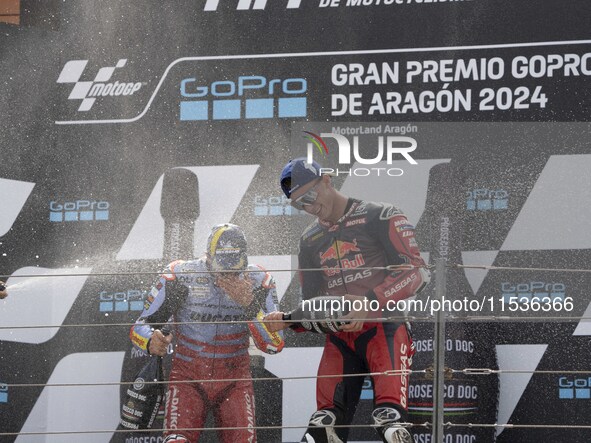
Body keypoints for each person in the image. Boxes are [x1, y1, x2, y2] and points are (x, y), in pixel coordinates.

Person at [264, 158, 430, 443]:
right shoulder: (310, 239)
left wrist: (370, 301)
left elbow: (418, 273)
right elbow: (314, 304)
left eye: (311, 196)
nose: (309, 207)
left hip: (384, 329)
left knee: (391, 425)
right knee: (321, 428)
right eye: (298, 204)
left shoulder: (380, 215)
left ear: (327, 180)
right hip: (339, 339)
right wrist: (289, 321)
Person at [130, 223, 285, 443]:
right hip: (187, 378)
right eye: (221, 268)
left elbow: (275, 344)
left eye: (235, 269)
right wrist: (149, 341)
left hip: (235, 379)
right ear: (208, 257)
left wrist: (249, 304)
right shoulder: (180, 275)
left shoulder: (259, 281)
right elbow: (138, 326)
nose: (227, 275)